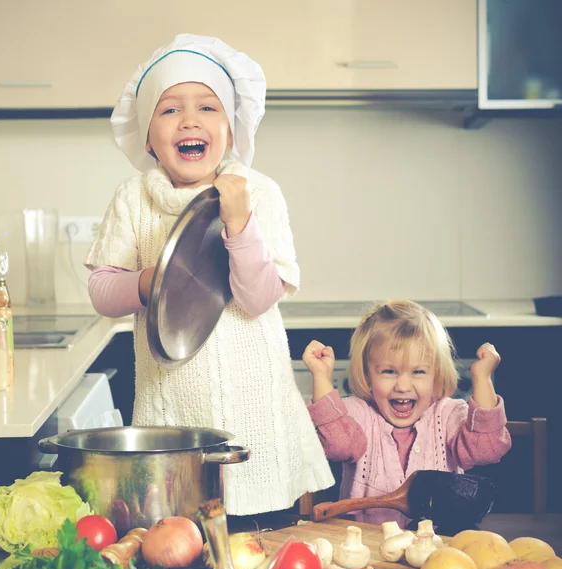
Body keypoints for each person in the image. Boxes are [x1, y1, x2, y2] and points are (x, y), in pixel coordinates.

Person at [84, 34, 334, 515]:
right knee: (180, 542)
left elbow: (258, 298)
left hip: (255, 411)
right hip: (170, 412)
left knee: (263, 540)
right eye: (170, 110)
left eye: (207, 107)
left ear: (232, 130)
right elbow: (101, 290)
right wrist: (149, 281)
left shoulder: (259, 193)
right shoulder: (133, 198)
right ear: (148, 136)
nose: (190, 120)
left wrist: (238, 221)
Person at [302, 300, 511, 525]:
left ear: (436, 374)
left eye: (418, 371)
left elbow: (485, 451)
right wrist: (321, 377)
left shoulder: (449, 415)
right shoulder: (359, 413)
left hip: (438, 550)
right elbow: (338, 444)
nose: (403, 385)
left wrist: (482, 378)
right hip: (367, 549)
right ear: (368, 375)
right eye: (389, 371)